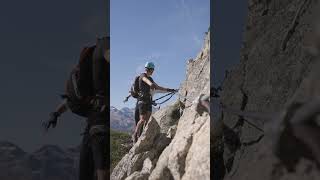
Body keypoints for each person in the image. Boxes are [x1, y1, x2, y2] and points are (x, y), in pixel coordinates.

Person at [42, 36, 109, 180]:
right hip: (96, 119)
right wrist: (55, 114)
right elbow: (69, 101)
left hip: (99, 118)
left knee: (98, 162)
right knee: (93, 164)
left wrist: (55, 114)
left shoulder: (84, 80)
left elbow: (69, 100)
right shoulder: (83, 85)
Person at [132, 62, 176, 143]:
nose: (152, 72)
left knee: (148, 119)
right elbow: (146, 80)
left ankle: (143, 134)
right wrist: (151, 84)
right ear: (148, 69)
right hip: (142, 100)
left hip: (148, 101)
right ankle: (135, 135)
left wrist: (170, 90)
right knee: (142, 119)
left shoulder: (151, 79)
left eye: (152, 70)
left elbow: (158, 87)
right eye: (151, 70)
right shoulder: (143, 76)